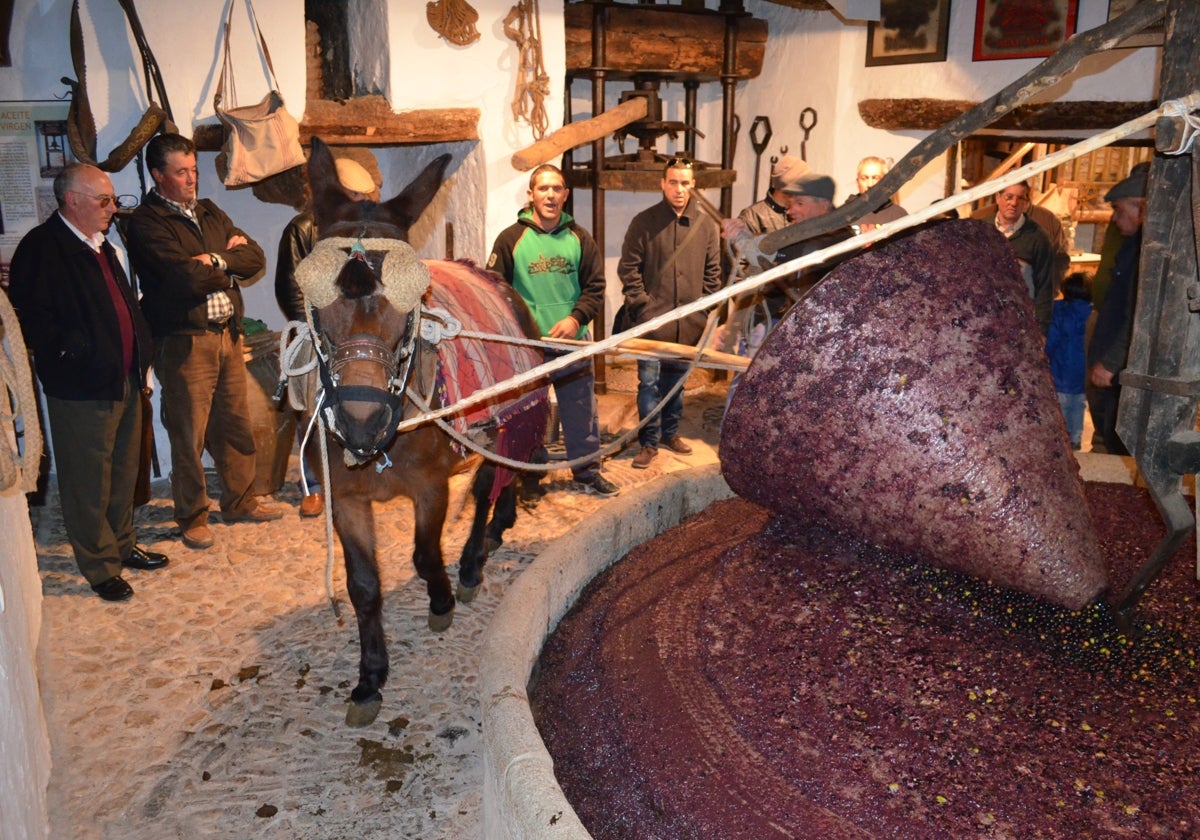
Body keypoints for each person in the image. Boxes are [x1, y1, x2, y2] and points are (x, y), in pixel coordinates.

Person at [8, 163, 169, 600]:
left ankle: (121, 545)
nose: (112, 208)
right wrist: (70, 350)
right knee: (87, 479)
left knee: (122, 471)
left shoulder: (99, 245)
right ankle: (99, 567)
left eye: (113, 199)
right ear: (72, 200)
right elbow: (30, 316)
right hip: (82, 388)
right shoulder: (43, 248)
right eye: (103, 201)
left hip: (124, 378)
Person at [126, 133, 282, 551]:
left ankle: (240, 500)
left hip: (227, 336)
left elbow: (254, 260)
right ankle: (192, 516)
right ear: (159, 176)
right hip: (184, 341)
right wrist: (226, 262)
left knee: (234, 423)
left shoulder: (209, 212)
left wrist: (214, 259)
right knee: (188, 433)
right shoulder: (144, 223)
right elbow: (180, 279)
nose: (192, 179)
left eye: (194, 170)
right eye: (181, 172)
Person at [486, 163, 619, 499]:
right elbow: (495, 291)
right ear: (531, 195)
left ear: (565, 195)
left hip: (572, 343)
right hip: (529, 347)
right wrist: (520, 328)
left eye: (556, 188)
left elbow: (595, 287)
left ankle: (587, 471)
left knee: (581, 410)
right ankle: (531, 477)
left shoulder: (579, 239)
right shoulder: (510, 239)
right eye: (543, 188)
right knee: (530, 412)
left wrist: (576, 319)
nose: (550, 194)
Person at [276, 156, 379, 517]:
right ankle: (312, 485)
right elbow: (289, 285)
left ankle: (357, 474)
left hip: (356, 334)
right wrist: (314, 328)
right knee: (310, 408)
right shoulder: (303, 228)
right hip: (314, 331)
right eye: (354, 195)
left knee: (362, 401)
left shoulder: (365, 232)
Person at [618, 157, 721, 469]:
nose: (679, 189)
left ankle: (670, 432)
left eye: (685, 182)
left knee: (676, 384)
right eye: (673, 182)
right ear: (662, 184)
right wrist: (645, 309)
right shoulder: (644, 222)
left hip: (687, 326)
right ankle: (649, 442)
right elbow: (629, 270)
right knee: (648, 383)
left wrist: (700, 313)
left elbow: (713, 276)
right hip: (650, 324)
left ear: (694, 185)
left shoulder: (705, 226)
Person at [1087, 164, 1147, 457]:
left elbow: (1139, 314)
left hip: (1122, 366)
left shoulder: (1146, 253)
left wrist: (1112, 361)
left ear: (1141, 208)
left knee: (1118, 436)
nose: (1114, 217)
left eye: (1118, 209)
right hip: (1113, 354)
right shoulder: (1132, 246)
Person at [987, 181, 1056, 336]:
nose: (1013, 203)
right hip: (984, 320)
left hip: (1019, 324)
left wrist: (1041, 332)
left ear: (1026, 203)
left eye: (1020, 198)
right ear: (997, 197)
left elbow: (1045, 288)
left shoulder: (1038, 238)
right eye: (1008, 197)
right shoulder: (982, 230)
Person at [1045, 272, 1093, 450]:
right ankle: (1075, 439)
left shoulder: (1059, 313)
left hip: (1060, 370)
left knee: (1061, 407)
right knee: (1078, 406)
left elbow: (1051, 341)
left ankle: (1061, 442)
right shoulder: (1091, 313)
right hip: (1081, 374)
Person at [843, 155, 907, 232]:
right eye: (864, 178)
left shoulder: (898, 215)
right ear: (858, 182)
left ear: (885, 182)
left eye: (875, 178)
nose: (870, 184)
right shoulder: (842, 214)